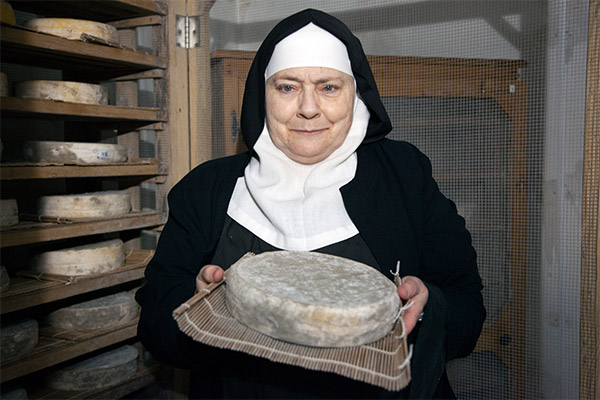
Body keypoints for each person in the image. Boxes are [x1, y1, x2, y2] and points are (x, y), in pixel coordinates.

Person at [136, 8, 485, 399]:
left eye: (329, 87)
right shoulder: (206, 188)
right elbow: (154, 321)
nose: (307, 108)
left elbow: (467, 306)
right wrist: (196, 306)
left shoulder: (404, 174)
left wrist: (426, 309)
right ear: (261, 94)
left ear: (356, 93)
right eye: (287, 87)